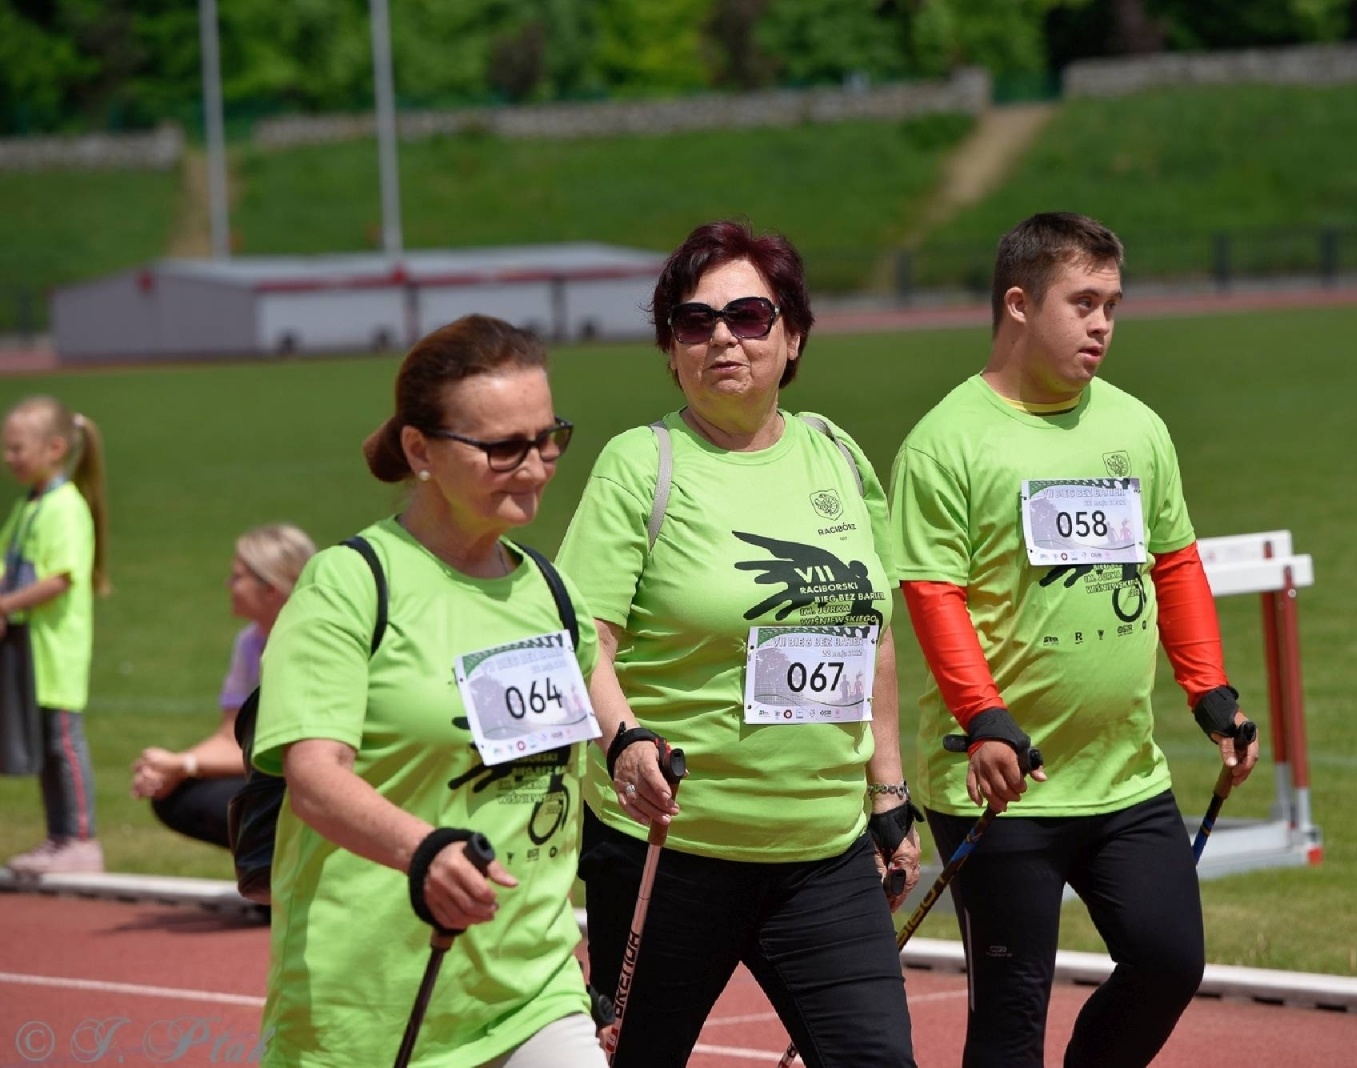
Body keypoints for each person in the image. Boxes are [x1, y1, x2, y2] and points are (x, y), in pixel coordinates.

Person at [887, 212, 1260, 1068]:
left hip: (1125, 775)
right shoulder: (948, 442)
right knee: (1012, 1021)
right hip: (1003, 785)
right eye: (1082, 302)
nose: (1102, 324)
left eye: (1112, 305)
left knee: (1170, 962)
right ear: (1018, 305)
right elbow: (933, 597)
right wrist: (983, 716)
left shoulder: (1136, 427)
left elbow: (1174, 563)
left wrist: (1211, 693)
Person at [557, 219, 922, 1068]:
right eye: (694, 321)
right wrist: (624, 743)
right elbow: (582, 642)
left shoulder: (836, 454)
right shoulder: (640, 466)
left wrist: (888, 791)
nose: (723, 335)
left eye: (750, 316)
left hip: (821, 855)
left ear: (791, 335)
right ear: (672, 349)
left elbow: (873, 635)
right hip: (670, 852)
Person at [249, 314, 608, 1067]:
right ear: (420, 450)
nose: (538, 466)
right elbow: (313, 780)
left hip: (532, 996)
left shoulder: (551, 590)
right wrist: (424, 851)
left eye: (548, 438)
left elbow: (554, 783)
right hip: (367, 1014)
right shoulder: (350, 586)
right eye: (503, 447)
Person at [129, 524, 316, 849]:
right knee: (173, 794)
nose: (228, 585)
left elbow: (296, 753)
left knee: (256, 805)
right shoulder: (250, 642)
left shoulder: (316, 643)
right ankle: (267, 882)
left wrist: (187, 765)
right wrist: (171, 766)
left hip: (317, 777)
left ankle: (289, 884)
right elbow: (231, 738)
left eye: (237, 577)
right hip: (277, 775)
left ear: (270, 589)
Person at [2, 396, 111, 876]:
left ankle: (82, 838)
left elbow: (61, 577)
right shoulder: (30, 506)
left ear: (54, 448)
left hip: (54, 648)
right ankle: (59, 836)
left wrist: (5, 605)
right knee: (45, 745)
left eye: (17, 448)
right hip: (28, 651)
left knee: (64, 744)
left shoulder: (65, 507)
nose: (9, 458)